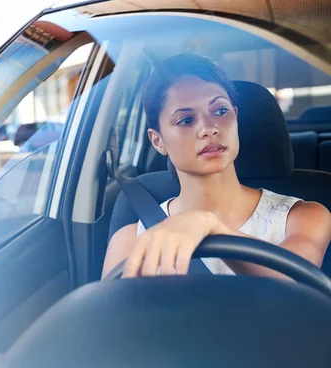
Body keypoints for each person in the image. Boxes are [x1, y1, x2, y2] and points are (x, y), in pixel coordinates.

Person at [102, 54, 331, 280]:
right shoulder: (130, 241)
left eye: (221, 111)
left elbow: (295, 281)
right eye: (186, 120)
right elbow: (109, 316)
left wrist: (211, 227)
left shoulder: (306, 217)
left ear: (236, 117)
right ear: (158, 141)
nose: (209, 128)